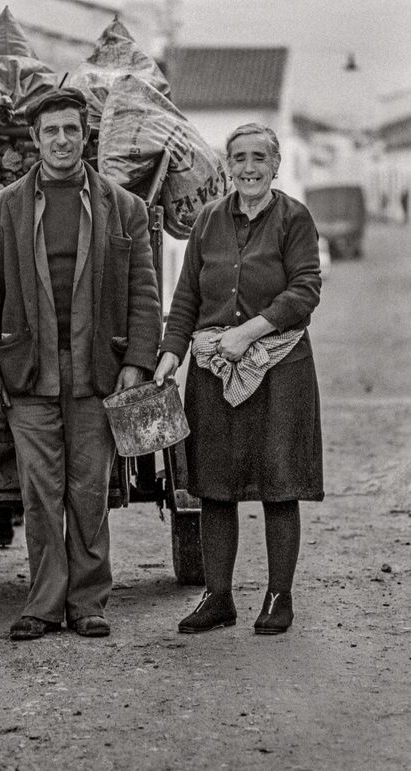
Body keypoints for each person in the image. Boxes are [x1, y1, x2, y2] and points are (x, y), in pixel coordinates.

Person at [0, 87, 161, 641]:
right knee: (39, 494)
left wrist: (138, 364)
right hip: (29, 375)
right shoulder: (3, 208)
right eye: (50, 131)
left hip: (95, 373)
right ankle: (44, 604)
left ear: (86, 136)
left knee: (89, 492)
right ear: (35, 139)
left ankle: (88, 603)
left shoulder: (124, 207)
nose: (61, 140)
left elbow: (144, 293)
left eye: (71, 130)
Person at [154, 123, 323, 635]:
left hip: (280, 369)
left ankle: (278, 599)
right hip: (213, 369)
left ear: (274, 164)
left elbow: (306, 289)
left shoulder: (294, 218)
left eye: (258, 158)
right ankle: (218, 597)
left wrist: (249, 332)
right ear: (228, 165)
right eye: (239, 159)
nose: (249, 168)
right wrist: (169, 355)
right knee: (214, 486)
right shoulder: (208, 221)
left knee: (279, 482)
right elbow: (185, 298)